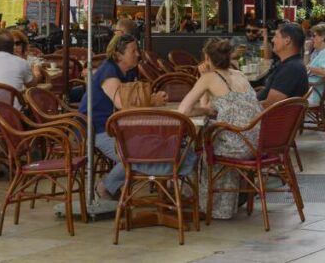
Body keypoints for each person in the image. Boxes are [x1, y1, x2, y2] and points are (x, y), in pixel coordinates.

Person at [79, 32, 172, 202]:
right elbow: (124, 105)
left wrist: (151, 99)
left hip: (121, 128)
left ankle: (164, 185)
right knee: (138, 153)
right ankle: (105, 186)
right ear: (118, 55)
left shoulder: (129, 71)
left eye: (138, 50)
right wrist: (152, 101)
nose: (138, 54)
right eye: (133, 51)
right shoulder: (109, 73)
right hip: (98, 129)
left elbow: (135, 99)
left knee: (154, 146)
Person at [178, 38, 262, 220]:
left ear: (207, 58)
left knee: (194, 149)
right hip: (256, 142)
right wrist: (206, 107)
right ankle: (221, 200)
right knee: (207, 141)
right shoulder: (239, 75)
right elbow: (211, 107)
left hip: (235, 146)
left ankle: (200, 201)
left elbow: (183, 111)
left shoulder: (209, 78)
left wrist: (204, 82)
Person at [0, 28, 45, 180]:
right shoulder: (21, 63)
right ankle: (22, 153)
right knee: (26, 112)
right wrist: (36, 75)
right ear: (12, 46)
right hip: (11, 121)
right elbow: (32, 85)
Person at [256, 22, 309, 108]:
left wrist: (244, 106)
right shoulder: (290, 63)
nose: (272, 40)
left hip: (264, 118)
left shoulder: (291, 69)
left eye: (276, 36)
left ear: (287, 40)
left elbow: (270, 105)